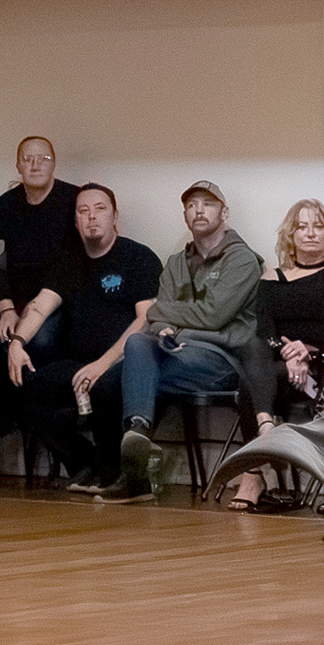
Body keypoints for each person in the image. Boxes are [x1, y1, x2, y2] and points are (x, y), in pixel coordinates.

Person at [6, 183, 162, 500]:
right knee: (22, 385)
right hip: (78, 364)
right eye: (83, 211)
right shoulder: (67, 260)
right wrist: (17, 343)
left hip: (124, 364)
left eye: (100, 209)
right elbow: (40, 305)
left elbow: (145, 320)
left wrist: (102, 365)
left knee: (104, 387)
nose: (92, 217)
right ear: (76, 221)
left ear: (115, 216)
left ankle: (115, 474)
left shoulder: (138, 257)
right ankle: (84, 462)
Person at [115, 181, 263, 494]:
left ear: (224, 213)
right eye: (192, 205)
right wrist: (160, 324)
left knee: (129, 375)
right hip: (175, 355)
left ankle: (132, 475)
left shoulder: (242, 260)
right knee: (136, 344)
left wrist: (167, 318)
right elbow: (157, 319)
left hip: (221, 360)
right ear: (184, 214)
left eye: (208, 204)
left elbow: (213, 315)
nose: (199, 210)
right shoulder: (175, 264)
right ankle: (138, 433)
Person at [227, 198, 324, 512]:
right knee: (252, 347)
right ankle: (266, 429)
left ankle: (257, 469)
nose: (310, 233)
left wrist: (308, 351)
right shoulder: (271, 279)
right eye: (302, 226)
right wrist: (288, 354)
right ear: (291, 234)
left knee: (251, 383)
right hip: (280, 370)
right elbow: (265, 331)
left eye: (318, 226)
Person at [0, 136, 81, 427]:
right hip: (8, 294)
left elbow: (74, 263)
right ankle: (11, 408)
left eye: (43, 159)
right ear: (18, 166)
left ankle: (40, 412)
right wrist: (6, 309)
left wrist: (35, 308)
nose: (35, 165)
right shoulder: (3, 206)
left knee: (41, 341)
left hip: (54, 297)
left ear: (54, 164)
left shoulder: (73, 200)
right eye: (27, 159)